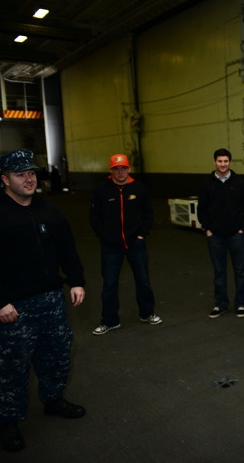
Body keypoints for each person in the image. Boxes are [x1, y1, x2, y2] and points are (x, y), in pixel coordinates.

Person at [0, 149, 86, 453]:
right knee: (13, 365)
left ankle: (53, 399)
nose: (28, 178)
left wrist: (76, 280)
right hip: (14, 307)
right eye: (20, 173)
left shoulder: (49, 210)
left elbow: (67, 248)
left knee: (58, 352)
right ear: (5, 179)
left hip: (51, 298)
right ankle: (8, 421)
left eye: (32, 173)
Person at [90, 154, 161, 335]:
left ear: (128, 169)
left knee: (143, 280)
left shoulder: (140, 189)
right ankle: (109, 321)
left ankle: (147, 313)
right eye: (116, 168)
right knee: (109, 283)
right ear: (111, 170)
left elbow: (148, 215)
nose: (120, 172)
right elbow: (94, 217)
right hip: (111, 246)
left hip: (135, 244)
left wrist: (141, 234)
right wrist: (104, 236)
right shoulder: (102, 191)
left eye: (123, 168)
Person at [197, 148, 244, 320]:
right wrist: (208, 229)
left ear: (230, 162)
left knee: (240, 271)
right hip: (215, 237)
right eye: (220, 161)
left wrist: (242, 228)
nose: (223, 164)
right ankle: (220, 304)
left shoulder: (239, 183)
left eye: (226, 161)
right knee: (219, 272)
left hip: (236, 235)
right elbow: (202, 210)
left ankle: (241, 303)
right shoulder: (208, 184)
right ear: (215, 162)